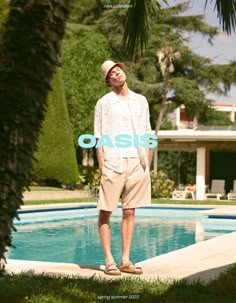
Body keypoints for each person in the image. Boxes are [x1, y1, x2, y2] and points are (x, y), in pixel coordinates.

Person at [94, 60, 153, 275]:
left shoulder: (141, 100)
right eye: (111, 72)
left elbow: (147, 131)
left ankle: (125, 260)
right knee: (106, 211)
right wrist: (103, 165)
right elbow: (98, 135)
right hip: (113, 161)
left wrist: (146, 161)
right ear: (108, 81)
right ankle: (109, 261)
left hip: (137, 162)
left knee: (130, 211)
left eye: (117, 68)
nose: (116, 72)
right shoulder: (103, 103)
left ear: (123, 72)